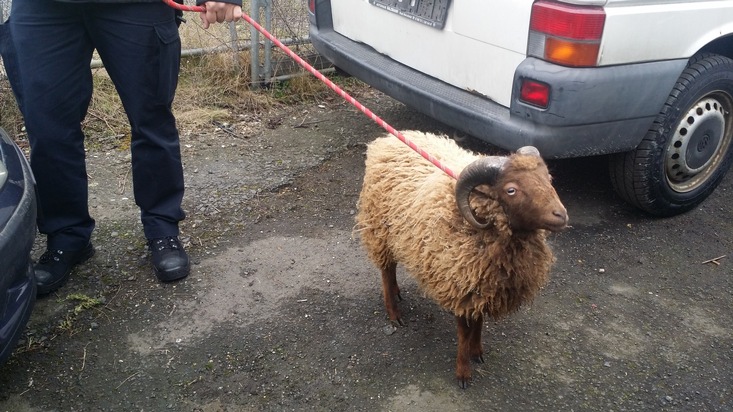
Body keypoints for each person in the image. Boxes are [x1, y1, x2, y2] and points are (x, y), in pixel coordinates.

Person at [4, 0, 242, 295]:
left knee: (151, 119)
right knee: (47, 128)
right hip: (44, 8)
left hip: (136, 5)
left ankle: (161, 229)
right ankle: (67, 236)